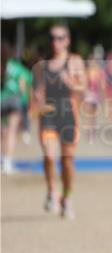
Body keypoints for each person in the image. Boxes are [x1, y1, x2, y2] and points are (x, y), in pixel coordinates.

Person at [33, 25, 86, 218]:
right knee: (48, 156)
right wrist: (37, 96)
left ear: (68, 40)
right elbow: (37, 90)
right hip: (48, 114)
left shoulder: (75, 61)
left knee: (67, 161)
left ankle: (67, 197)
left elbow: (84, 90)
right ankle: (51, 192)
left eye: (60, 37)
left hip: (68, 115)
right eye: (52, 38)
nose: (55, 42)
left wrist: (70, 82)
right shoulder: (42, 65)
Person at [1, 42, 32, 174]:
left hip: (2, 99)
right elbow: (23, 88)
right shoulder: (19, 68)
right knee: (12, 132)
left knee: (2, 132)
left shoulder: (3, 67)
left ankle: (3, 159)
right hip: (15, 100)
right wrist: (25, 103)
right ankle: (8, 162)